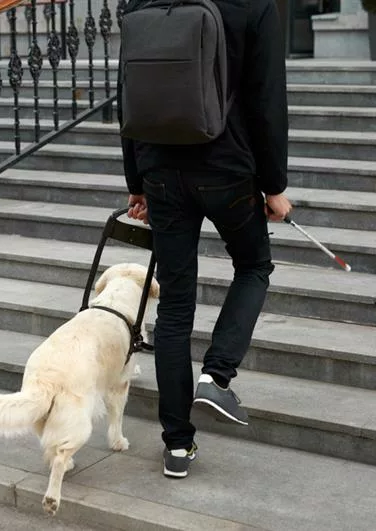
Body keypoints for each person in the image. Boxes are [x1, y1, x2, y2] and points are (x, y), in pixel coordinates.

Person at [116, 0, 292, 479]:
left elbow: (128, 93)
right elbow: (266, 98)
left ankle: (176, 446)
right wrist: (274, 184)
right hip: (227, 168)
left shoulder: (141, 4)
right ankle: (216, 376)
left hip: (160, 170)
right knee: (254, 265)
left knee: (174, 307)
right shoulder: (254, 7)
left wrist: (137, 181)